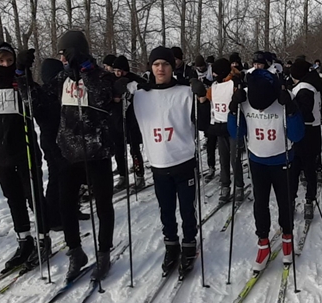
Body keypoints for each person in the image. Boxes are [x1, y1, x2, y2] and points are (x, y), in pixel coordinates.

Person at [16, 30, 116, 282]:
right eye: (61, 54)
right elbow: (37, 101)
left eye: (65, 52)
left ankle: (104, 253)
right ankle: (75, 252)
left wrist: (84, 67)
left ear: (78, 51)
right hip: (69, 151)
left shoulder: (100, 76)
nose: (62, 58)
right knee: (66, 204)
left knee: (103, 205)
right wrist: (22, 74)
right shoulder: (62, 79)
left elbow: (102, 96)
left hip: (97, 150)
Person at [123, 46, 211, 274]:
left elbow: (203, 125)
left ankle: (189, 244)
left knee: (187, 209)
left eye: (165, 64)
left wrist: (202, 98)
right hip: (159, 164)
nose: (160, 68)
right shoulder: (141, 95)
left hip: (183, 161)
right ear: (151, 68)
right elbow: (128, 126)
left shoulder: (184, 92)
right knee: (166, 210)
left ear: (173, 67)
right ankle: (171, 245)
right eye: (156, 64)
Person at [228, 69, 304, 271]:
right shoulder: (244, 98)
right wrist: (233, 109)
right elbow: (236, 132)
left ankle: (287, 238)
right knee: (260, 204)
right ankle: (263, 243)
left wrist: (292, 108)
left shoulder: (283, 98)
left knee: (285, 202)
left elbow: (297, 135)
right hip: (257, 160)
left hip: (282, 159)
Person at [0, 42, 51, 273]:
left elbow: (37, 104)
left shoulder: (21, 82)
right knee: (13, 198)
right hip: (1, 154)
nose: (5, 65)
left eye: (9, 61)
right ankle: (24, 240)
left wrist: (23, 74)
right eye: (1, 61)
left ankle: (43, 238)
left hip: (25, 149)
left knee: (33, 194)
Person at [206, 57, 245, 204]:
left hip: (233, 125)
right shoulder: (215, 85)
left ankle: (239, 185)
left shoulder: (234, 82)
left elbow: (243, 96)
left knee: (235, 158)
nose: (214, 75)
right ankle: (225, 185)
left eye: (215, 73)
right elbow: (206, 97)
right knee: (223, 158)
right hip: (219, 125)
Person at [290, 59, 322, 220]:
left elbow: (306, 113)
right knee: (308, 169)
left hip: (304, 131)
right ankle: (308, 199)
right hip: (313, 131)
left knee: (296, 169)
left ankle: (302, 201)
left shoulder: (304, 88)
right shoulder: (312, 84)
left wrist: (291, 111)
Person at [111, 55, 147, 191]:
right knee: (119, 151)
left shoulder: (134, 80)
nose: (117, 73)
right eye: (115, 70)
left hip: (132, 121)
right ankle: (122, 176)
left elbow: (146, 87)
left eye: (120, 70)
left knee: (134, 150)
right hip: (117, 121)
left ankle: (139, 176)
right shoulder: (112, 80)